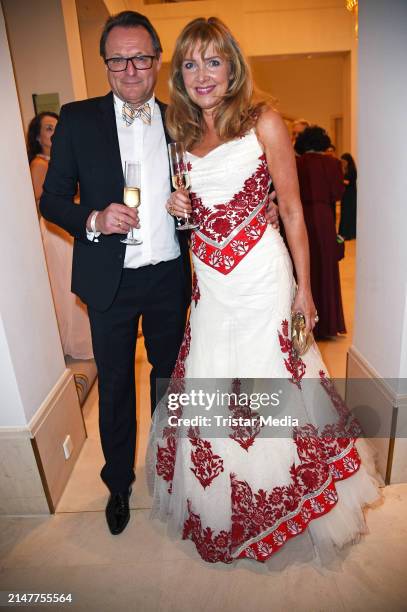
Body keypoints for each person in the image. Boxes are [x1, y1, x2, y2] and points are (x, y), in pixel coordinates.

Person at [148, 17, 379, 566]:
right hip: (209, 285)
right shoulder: (179, 131)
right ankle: (228, 506)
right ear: (179, 75)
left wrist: (304, 289)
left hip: (261, 279)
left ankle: (292, 501)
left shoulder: (263, 122)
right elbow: (191, 205)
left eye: (212, 61)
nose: (202, 74)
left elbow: (293, 210)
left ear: (232, 66)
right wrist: (175, 207)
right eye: (189, 63)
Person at [39, 10, 279, 536]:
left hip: (172, 275)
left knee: (172, 383)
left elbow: (233, 169)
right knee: (117, 387)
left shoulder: (183, 119)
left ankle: (167, 470)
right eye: (117, 60)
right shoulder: (78, 120)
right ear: (106, 64)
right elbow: (51, 200)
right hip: (110, 280)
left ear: (156, 60)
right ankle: (119, 483)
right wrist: (95, 219)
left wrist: (266, 206)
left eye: (140, 58)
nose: (129, 69)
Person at [27, 112, 93, 360]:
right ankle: (74, 341)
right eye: (48, 129)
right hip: (53, 231)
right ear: (38, 136)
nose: (54, 133)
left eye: (57, 128)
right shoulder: (40, 165)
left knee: (74, 282)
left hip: (64, 229)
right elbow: (37, 203)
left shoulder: (59, 161)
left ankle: (84, 337)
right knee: (65, 285)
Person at [295, 126, 346, 339]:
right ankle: (328, 323)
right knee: (326, 267)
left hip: (301, 216)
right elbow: (338, 192)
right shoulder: (333, 163)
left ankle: (304, 321)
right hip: (324, 217)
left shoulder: (297, 163)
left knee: (305, 267)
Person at [339, 152, 357, 240]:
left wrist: (339, 179)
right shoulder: (343, 169)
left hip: (351, 195)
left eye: (344, 161)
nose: (343, 163)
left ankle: (349, 234)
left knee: (349, 214)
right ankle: (343, 233)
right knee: (344, 213)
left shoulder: (352, 170)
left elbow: (348, 182)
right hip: (344, 194)